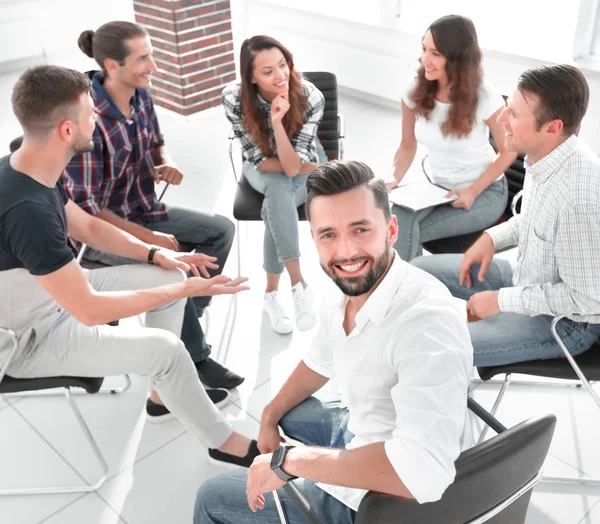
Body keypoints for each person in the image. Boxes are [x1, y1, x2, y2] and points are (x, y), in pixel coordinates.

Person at [1, 64, 260, 468]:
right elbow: (89, 310)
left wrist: (158, 255)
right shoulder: (27, 211)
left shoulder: (27, 164)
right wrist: (183, 291)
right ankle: (222, 441)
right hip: (29, 337)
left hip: (54, 295)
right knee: (169, 350)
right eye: (90, 114)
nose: (96, 121)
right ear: (66, 131)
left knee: (169, 273)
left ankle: (163, 396)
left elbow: (86, 224)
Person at [194, 160, 473, 523]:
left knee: (210, 497)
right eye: (329, 235)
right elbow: (319, 360)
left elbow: (422, 472)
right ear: (314, 239)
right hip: (365, 427)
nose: (346, 252)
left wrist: (290, 462)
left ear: (391, 229)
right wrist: (269, 413)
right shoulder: (343, 290)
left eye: (360, 230)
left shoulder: (427, 324)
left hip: (387, 501)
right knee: (289, 414)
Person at [61, 21, 243, 421]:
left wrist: (167, 163)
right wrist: (152, 240)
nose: (154, 66)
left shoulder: (137, 94)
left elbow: (156, 143)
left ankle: (185, 316)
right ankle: (191, 357)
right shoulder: (86, 117)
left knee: (221, 231)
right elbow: (89, 213)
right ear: (113, 64)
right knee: (175, 269)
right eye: (144, 58)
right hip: (101, 234)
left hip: (139, 207)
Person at [412, 64, 600, 367]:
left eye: (513, 113)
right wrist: (491, 238)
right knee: (418, 270)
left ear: (552, 126)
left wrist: (501, 300)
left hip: (564, 324)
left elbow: (588, 299)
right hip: (526, 282)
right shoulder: (545, 155)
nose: (500, 119)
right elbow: (538, 219)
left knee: (436, 348)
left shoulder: (577, 197)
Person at [221, 35, 327, 335]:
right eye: (267, 71)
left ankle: (271, 294)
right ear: (250, 77)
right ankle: (299, 283)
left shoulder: (309, 96)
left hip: (302, 157)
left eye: (282, 65)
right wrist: (303, 164)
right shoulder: (233, 96)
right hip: (262, 163)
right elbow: (261, 160)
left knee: (275, 199)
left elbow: (294, 165)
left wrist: (278, 123)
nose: (280, 76)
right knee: (278, 186)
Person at [388, 15, 516, 261]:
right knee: (394, 220)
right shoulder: (414, 89)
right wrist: (393, 179)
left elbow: (508, 151)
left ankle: (404, 293)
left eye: (435, 53)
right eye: (424, 49)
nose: (424, 59)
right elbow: (407, 146)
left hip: (483, 192)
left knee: (401, 232)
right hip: (434, 188)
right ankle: (409, 292)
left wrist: (472, 190)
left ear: (458, 58)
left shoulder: (484, 96)